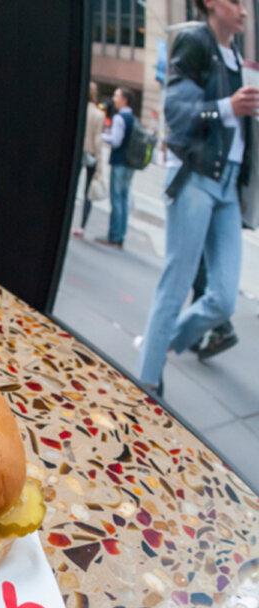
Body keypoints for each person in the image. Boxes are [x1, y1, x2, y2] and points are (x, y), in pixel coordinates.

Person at [136, 0, 257, 396]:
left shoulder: (235, 56)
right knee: (176, 283)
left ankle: (162, 344)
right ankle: (147, 384)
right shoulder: (194, 40)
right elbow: (176, 110)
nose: (243, 10)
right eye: (235, 1)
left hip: (226, 184)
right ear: (210, 3)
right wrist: (227, 107)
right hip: (195, 178)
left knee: (222, 298)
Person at [99, 87, 136, 248]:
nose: (114, 98)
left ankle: (113, 236)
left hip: (120, 161)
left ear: (124, 100)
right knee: (124, 198)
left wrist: (101, 136)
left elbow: (116, 141)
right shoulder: (133, 118)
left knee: (117, 199)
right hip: (130, 163)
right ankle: (120, 236)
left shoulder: (120, 118)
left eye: (116, 96)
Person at [73, 82, 106, 239]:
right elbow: (98, 140)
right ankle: (82, 226)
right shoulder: (98, 114)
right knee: (88, 191)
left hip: (77, 152)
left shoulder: (79, 108)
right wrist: (100, 162)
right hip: (91, 153)